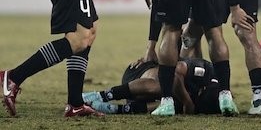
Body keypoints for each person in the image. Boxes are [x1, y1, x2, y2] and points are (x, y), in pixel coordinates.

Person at [132, 0, 261, 114]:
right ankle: (195, 88)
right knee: (189, 37)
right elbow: (160, 5)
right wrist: (150, 47)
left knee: (245, 32)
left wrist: (235, 9)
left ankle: (259, 98)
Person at [82, 58, 222, 115]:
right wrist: (188, 102)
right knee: (165, 85)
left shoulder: (212, 102)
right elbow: (176, 71)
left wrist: (187, 103)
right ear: (203, 87)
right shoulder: (205, 69)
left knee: (175, 104)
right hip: (139, 73)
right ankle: (100, 95)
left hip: (142, 100)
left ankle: (118, 109)